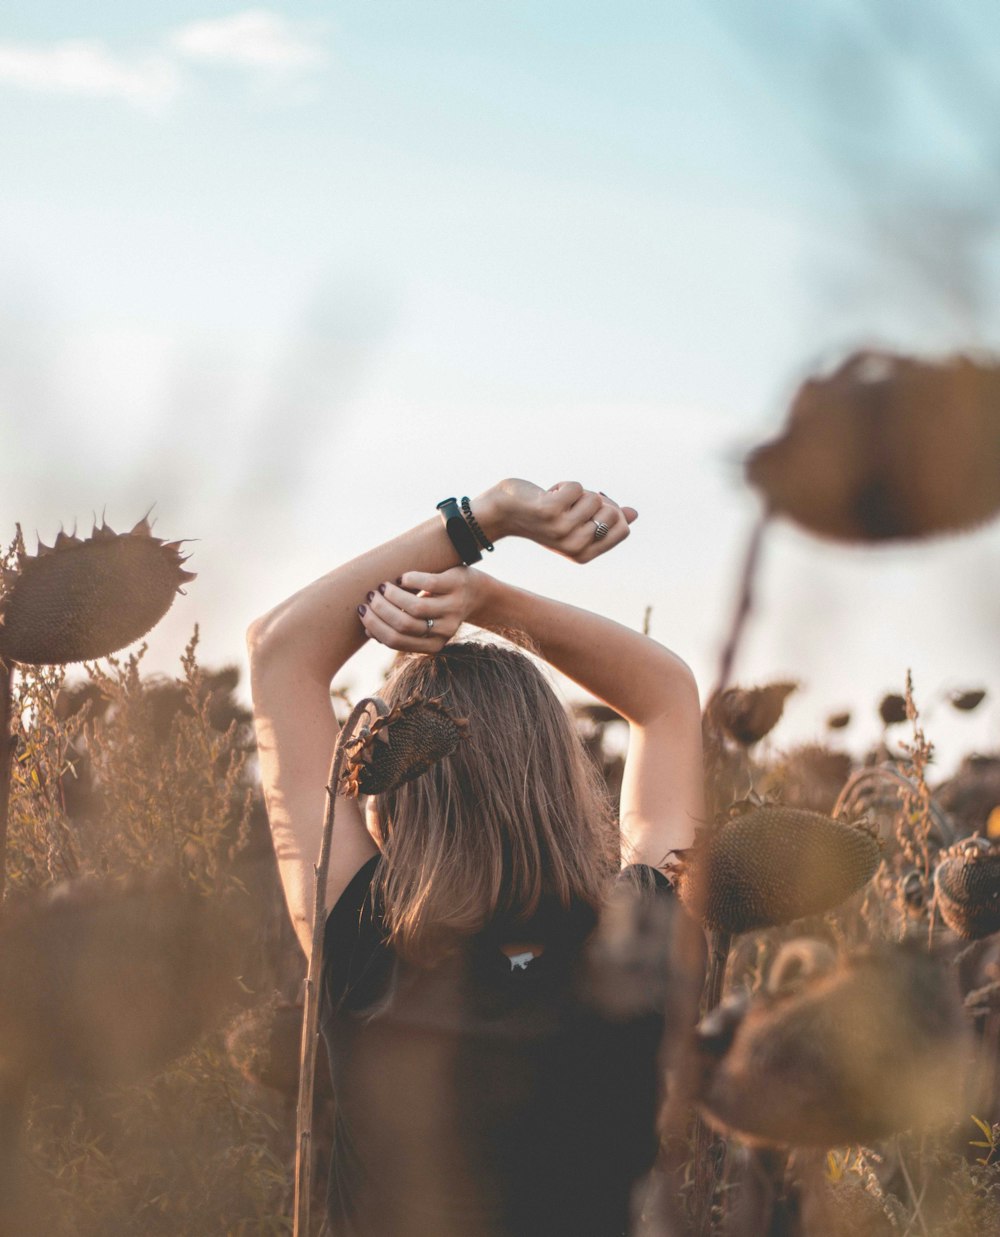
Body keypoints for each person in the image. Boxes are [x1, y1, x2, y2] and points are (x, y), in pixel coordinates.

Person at [247, 478, 704, 1237]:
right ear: (558, 774)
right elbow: (668, 695)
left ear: (396, 790)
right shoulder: (639, 942)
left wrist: (484, 518)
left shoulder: (365, 945)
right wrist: (487, 600)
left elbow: (280, 652)